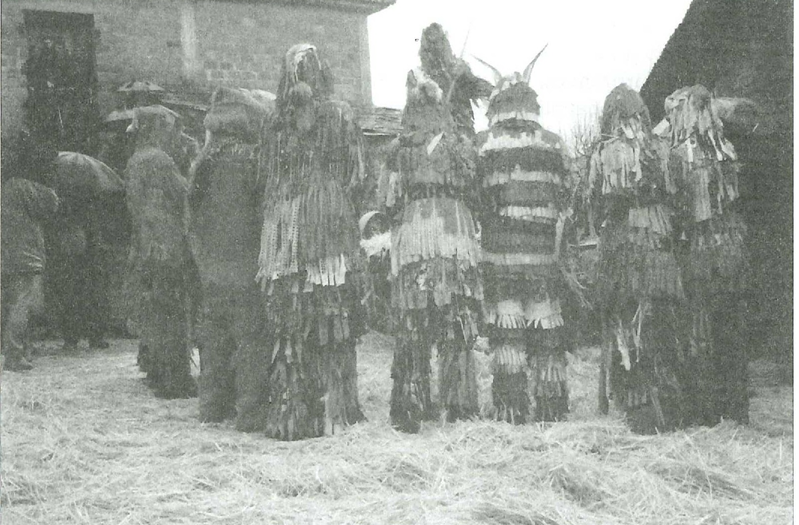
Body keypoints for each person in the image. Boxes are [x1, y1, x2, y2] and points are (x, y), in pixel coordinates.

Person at [256, 44, 366, 440]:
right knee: (327, 308)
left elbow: (266, 174)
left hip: (286, 222)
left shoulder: (274, 122)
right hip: (323, 220)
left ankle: (293, 413)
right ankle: (337, 409)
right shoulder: (337, 114)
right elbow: (354, 174)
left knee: (292, 314)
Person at [388, 24, 485, 433]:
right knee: (454, 316)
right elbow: (473, 184)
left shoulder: (402, 147)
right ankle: (458, 405)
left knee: (414, 319)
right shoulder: (458, 144)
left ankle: (410, 406)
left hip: (414, 231)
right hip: (453, 227)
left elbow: (390, 199)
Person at [476, 49, 572, 423]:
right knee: (546, 329)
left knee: (508, 332)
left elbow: (476, 197)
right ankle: (550, 409)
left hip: (500, 260)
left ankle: (511, 409)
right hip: (543, 260)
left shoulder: (483, 145)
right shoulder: (553, 143)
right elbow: (568, 195)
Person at [587, 84, 685, 433]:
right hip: (658, 246)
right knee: (658, 323)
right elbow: (676, 195)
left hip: (623, 249)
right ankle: (667, 407)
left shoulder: (604, 153)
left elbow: (595, 205)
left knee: (628, 323)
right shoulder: (661, 148)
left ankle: (641, 411)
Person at [189, 86, 274, 428]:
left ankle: (211, 407)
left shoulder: (203, 164)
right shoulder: (254, 163)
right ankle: (250, 412)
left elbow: (192, 214)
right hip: (245, 266)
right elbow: (264, 213)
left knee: (214, 338)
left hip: (211, 268)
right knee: (251, 338)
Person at [664, 85, 750, 426]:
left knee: (700, 329)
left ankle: (707, 411)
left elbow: (677, 209)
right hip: (731, 248)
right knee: (729, 326)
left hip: (700, 254)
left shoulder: (680, 155)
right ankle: (736, 408)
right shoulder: (725, 149)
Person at [124, 105, 197, 399]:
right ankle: (175, 379)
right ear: (156, 130)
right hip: (167, 244)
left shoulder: (135, 160)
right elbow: (185, 194)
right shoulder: (160, 160)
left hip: (144, 244)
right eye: (167, 128)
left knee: (154, 310)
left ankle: (155, 370)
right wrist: (192, 159)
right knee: (174, 311)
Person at [1, 148, 59, 371]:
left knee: (9, 302)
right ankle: (15, 354)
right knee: (21, 303)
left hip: (5, 253)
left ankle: (21, 350)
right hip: (22, 254)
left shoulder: (5, 187)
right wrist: (52, 184)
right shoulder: (24, 187)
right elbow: (52, 204)